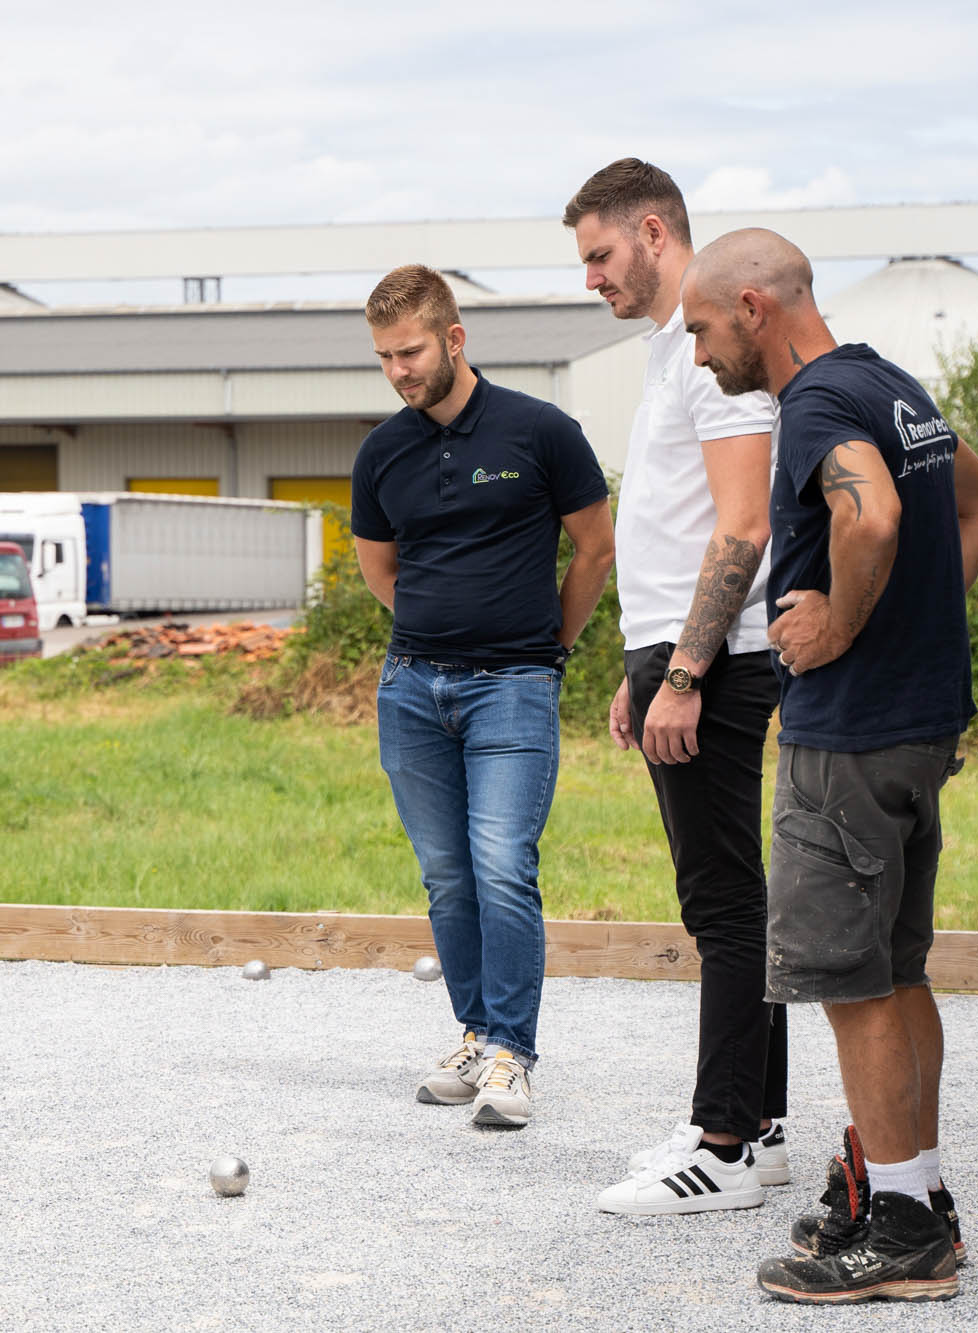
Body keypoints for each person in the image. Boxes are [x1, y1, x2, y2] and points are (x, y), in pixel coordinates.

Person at [680, 228, 978, 1304]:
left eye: (700, 328)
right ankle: (915, 1192)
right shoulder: (890, 383)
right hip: (917, 728)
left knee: (848, 982)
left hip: (849, 737)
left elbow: (870, 516)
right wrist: (916, 630)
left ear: (752, 308)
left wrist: (844, 627)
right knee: (897, 971)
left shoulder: (816, 404)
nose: (696, 354)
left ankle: (904, 1230)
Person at [561, 158, 789, 1216]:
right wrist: (636, 663)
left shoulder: (707, 355)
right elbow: (667, 528)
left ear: (652, 232)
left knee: (722, 904)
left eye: (600, 255)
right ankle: (766, 1127)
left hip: (718, 657)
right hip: (673, 652)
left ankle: (723, 1143)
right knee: (735, 900)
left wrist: (686, 669)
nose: (592, 278)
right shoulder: (668, 353)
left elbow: (742, 522)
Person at [351, 264, 615, 1129]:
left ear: (455, 339)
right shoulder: (381, 451)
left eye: (412, 351)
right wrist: (438, 632)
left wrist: (549, 648)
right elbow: (380, 568)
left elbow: (596, 548)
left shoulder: (541, 432)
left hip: (514, 688)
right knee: (447, 875)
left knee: (504, 866)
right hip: (412, 689)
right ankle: (473, 1030)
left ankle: (513, 1052)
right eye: (385, 355)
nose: (399, 369)